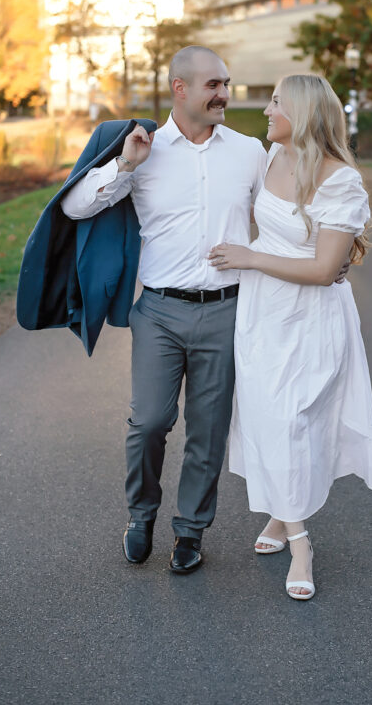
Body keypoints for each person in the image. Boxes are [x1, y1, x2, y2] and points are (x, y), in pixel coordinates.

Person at [60, 46, 267, 574]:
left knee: (208, 430)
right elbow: (75, 204)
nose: (224, 93)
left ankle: (191, 532)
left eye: (226, 82)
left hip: (226, 310)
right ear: (180, 88)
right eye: (213, 85)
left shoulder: (248, 152)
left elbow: (278, 219)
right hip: (159, 312)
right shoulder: (142, 149)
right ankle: (141, 515)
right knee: (149, 421)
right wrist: (127, 164)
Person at [210, 74, 372, 600]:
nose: (265, 110)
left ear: (302, 114)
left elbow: (323, 268)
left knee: (294, 422)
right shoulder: (268, 159)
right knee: (265, 418)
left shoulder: (339, 182)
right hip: (263, 314)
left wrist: (249, 257)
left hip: (312, 320)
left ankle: (301, 544)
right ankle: (282, 519)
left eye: (275, 102)